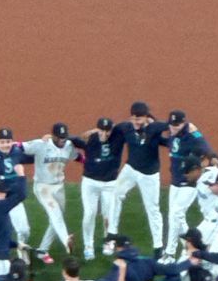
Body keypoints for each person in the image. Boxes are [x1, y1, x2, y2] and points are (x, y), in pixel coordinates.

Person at [106, 102, 169, 257]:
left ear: (147, 117)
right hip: (131, 169)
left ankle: (158, 247)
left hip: (149, 175)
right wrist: (96, 131)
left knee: (152, 209)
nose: (135, 123)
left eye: (139, 120)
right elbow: (111, 130)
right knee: (115, 193)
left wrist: (192, 132)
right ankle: (111, 235)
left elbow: (175, 127)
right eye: (133, 119)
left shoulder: (155, 128)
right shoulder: (126, 127)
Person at [20, 122, 79, 263]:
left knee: (56, 220)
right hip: (43, 187)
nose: (62, 140)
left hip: (59, 187)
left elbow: (77, 157)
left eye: (64, 137)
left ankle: (42, 250)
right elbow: (20, 147)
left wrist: (89, 163)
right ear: (53, 135)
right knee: (55, 214)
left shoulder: (68, 146)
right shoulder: (41, 144)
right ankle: (66, 241)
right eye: (59, 137)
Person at [161, 110, 212, 261]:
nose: (174, 128)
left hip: (189, 183)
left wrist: (197, 173)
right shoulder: (171, 131)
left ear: (184, 123)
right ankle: (191, 245)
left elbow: (207, 153)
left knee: (176, 213)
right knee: (175, 216)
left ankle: (170, 253)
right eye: (172, 125)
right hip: (175, 180)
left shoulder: (193, 135)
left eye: (177, 125)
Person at [73, 117, 123, 260]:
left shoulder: (118, 137)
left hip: (109, 184)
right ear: (97, 129)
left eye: (108, 131)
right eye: (102, 130)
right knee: (89, 213)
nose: (105, 134)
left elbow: (126, 126)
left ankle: (108, 241)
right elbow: (73, 139)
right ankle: (88, 245)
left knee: (109, 215)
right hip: (90, 182)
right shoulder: (91, 139)